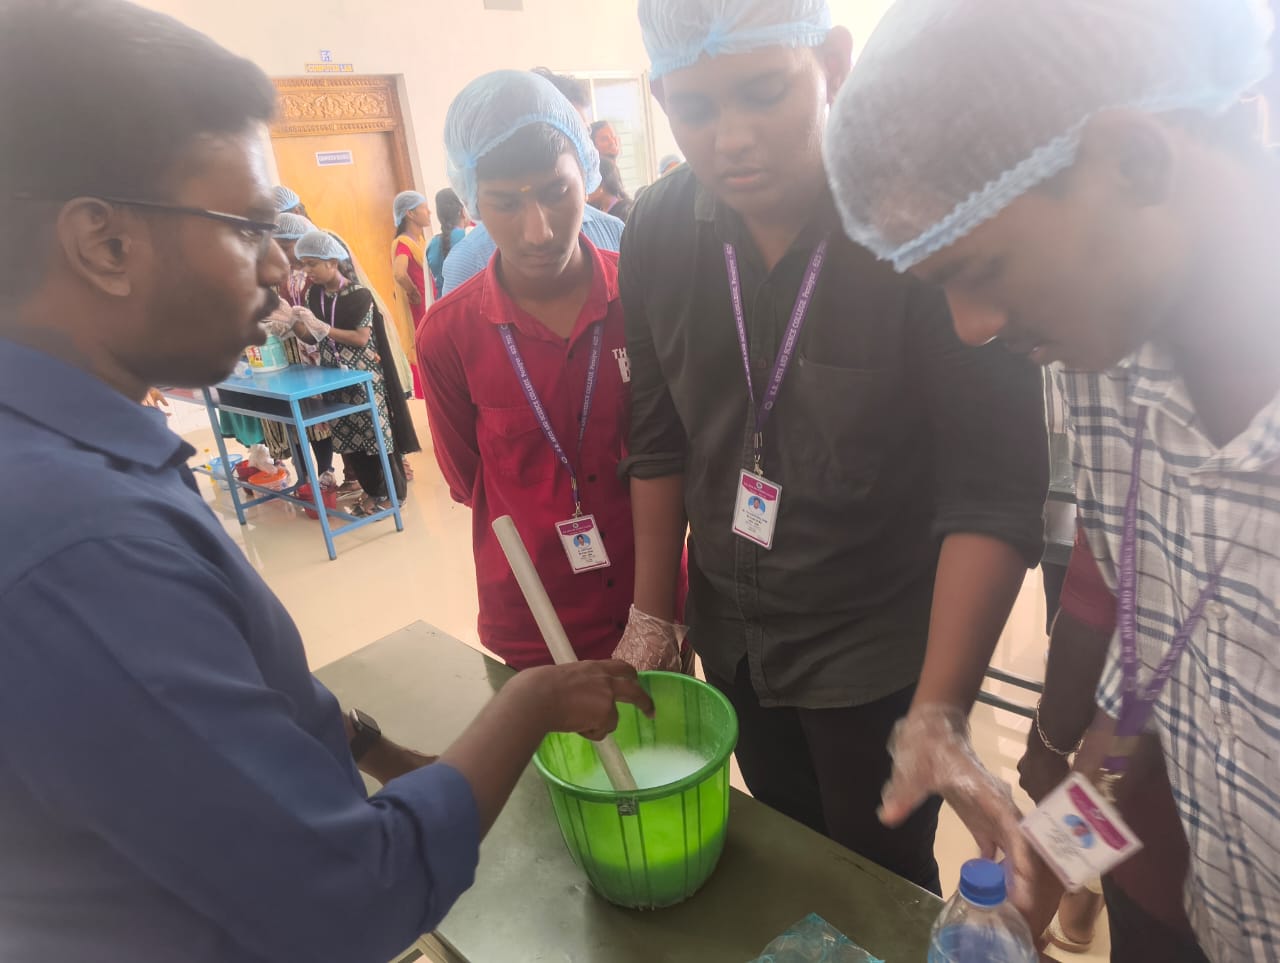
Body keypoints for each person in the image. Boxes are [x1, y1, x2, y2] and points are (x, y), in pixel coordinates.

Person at [0, 3, 653, 962]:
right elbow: (353, 898)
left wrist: (364, 743)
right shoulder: (74, 543)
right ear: (104, 245)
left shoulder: (89, 456)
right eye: (249, 226)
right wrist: (527, 704)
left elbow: (209, 699)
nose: (281, 265)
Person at [824, 0, 1280, 958]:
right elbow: (1152, 681)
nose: (971, 327)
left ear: (1134, 161)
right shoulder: (1104, 363)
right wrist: (1051, 856)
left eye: (983, 268)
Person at [613, 0, 1049, 896]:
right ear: (661, 98)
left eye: (763, 92)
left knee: (878, 881)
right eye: (696, 108)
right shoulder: (657, 230)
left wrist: (939, 708)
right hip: (737, 638)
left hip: (876, 651)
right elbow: (657, 436)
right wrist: (655, 614)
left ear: (833, 63)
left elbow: (994, 487)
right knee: (785, 849)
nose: (732, 138)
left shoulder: (917, 223)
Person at [417, 70, 643, 670]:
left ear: (587, 176)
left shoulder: (642, 297)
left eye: (556, 191)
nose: (537, 231)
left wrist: (658, 615)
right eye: (507, 203)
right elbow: (469, 480)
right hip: (535, 620)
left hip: (651, 603)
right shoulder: (450, 335)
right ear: (473, 200)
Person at [440, 69, 626, 296]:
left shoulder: (613, 232)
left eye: (557, 193)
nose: (539, 236)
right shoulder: (469, 261)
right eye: (507, 204)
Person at [292, 230, 414, 515]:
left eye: (312, 264)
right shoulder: (314, 294)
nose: (307, 271)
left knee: (376, 437)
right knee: (351, 439)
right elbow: (312, 337)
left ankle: (395, 494)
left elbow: (360, 338)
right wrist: (292, 322)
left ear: (332, 262)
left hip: (365, 377)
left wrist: (324, 328)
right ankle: (373, 491)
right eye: (304, 264)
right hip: (334, 377)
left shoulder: (359, 295)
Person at [260, 212, 337, 486]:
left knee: (317, 418)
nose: (282, 253)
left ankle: (326, 471)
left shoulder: (314, 274)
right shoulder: (278, 272)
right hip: (287, 351)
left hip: (314, 352)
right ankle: (304, 476)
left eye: (286, 246)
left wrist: (303, 324)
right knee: (292, 418)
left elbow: (324, 317)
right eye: (277, 247)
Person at [390, 190, 434, 377]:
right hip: (419, 307)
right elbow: (399, 273)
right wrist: (413, 292)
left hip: (429, 303)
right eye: (424, 208)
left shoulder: (419, 240)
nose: (429, 212)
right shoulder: (404, 243)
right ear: (410, 213)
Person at [427, 187, 467, 296]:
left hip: (442, 303)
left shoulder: (431, 245)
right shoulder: (468, 237)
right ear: (463, 212)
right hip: (469, 302)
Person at [589, 156, 634, 222]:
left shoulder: (626, 211)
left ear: (601, 184)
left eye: (589, 182)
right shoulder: (597, 209)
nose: (585, 189)